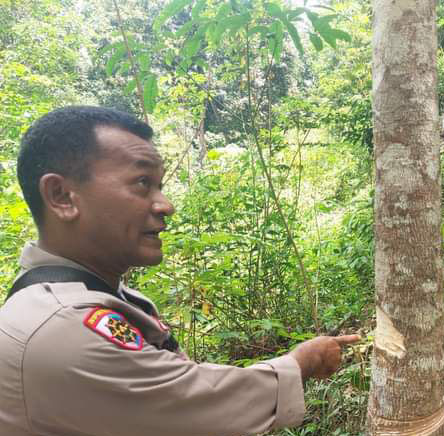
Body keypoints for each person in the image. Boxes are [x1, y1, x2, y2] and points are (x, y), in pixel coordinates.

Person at [0, 106, 360, 436]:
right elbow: (196, 404)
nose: (165, 205)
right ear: (62, 195)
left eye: (160, 185)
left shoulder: (90, 295)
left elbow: (173, 381)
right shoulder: (62, 330)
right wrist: (301, 363)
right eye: (142, 183)